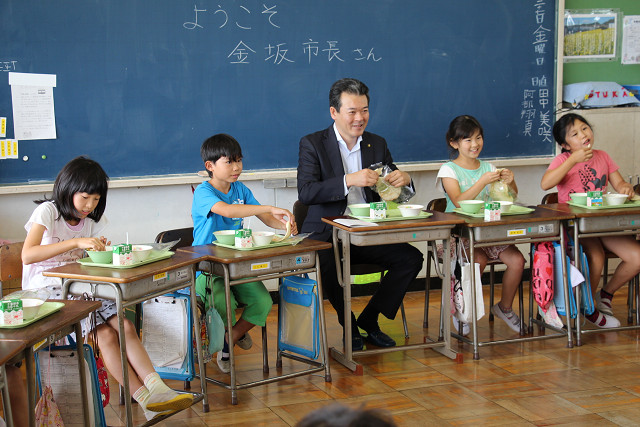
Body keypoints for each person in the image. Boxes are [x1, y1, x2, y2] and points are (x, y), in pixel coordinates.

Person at [21, 156, 193, 421]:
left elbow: (83, 263)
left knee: (124, 326)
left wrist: (98, 250)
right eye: (85, 198)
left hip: (79, 287)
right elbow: (28, 255)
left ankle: (159, 390)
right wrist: (76, 242)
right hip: (45, 293)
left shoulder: (90, 221)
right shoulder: (48, 211)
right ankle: (144, 398)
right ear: (68, 189)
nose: (90, 206)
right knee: (105, 336)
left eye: (96, 200)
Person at [297, 78, 423, 351]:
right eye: (352, 111)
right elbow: (306, 193)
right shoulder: (313, 144)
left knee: (411, 258)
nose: (359, 118)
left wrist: (406, 180)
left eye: (364, 110)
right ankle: (349, 325)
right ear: (334, 112)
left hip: (366, 232)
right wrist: (348, 179)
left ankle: (370, 318)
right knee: (327, 263)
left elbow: (396, 193)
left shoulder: (376, 143)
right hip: (326, 234)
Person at [192, 133, 296, 373]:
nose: (236, 167)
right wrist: (270, 206)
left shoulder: (240, 188)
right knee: (222, 303)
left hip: (236, 265)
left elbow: (265, 217)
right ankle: (223, 340)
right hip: (208, 269)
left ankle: (231, 337)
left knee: (262, 300)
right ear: (210, 166)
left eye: (238, 160)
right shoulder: (203, 192)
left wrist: (284, 224)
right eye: (228, 161)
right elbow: (228, 211)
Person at [541, 113, 640, 328]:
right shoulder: (563, 160)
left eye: (585, 129)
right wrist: (572, 161)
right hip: (575, 227)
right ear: (565, 145)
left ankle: (604, 295)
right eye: (575, 134)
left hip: (603, 224)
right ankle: (588, 310)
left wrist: (625, 188)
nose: (584, 135)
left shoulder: (603, 156)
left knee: (637, 256)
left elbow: (620, 184)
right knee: (596, 256)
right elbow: (546, 183)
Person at [436, 115, 525, 333]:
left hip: (487, 233)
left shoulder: (488, 167)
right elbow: (459, 201)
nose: (475, 144)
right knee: (477, 261)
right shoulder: (448, 169)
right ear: (454, 143)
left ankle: (504, 307)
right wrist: (482, 181)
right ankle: (462, 312)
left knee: (518, 261)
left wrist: (510, 180)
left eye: (478, 138)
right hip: (459, 235)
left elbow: (510, 197)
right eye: (467, 140)